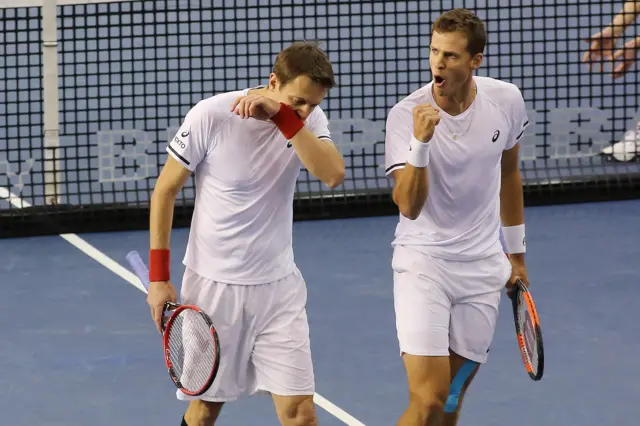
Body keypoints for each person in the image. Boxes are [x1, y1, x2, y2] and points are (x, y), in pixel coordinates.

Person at [146, 41, 345, 426]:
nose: (305, 111)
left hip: (278, 290)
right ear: (273, 82)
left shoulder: (305, 122)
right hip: (214, 291)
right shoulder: (212, 115)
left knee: (300, 414)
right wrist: (159, 279)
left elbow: (333, 175)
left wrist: (287, 117)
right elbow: (165, 190)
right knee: (205, 410)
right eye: (297, 101)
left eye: (312, 105)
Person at [384, 8, 530, 426]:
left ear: (475, 61)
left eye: (449, 55)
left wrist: (515, 255)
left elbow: (509, 173)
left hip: (483, 270)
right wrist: (420, 142)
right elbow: (408, 206)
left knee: (449, 402)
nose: (438, 63)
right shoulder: (405, 116)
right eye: (434, 52)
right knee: (428, 399)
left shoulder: (506, 100)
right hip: (423, 264)